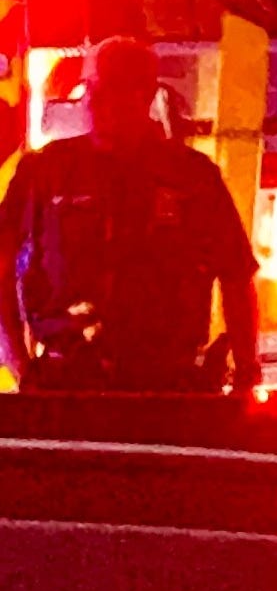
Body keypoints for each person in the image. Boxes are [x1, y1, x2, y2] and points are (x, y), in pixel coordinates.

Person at [0, 35, 260, 393]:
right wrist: (19, 365)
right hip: (68, 384)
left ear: (147, 95)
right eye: (89, 87)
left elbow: (236, 275)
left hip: (169, 383)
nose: (92, 101)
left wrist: (247, 370)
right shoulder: (46, 171)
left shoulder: (192, 176)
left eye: (109, 90)